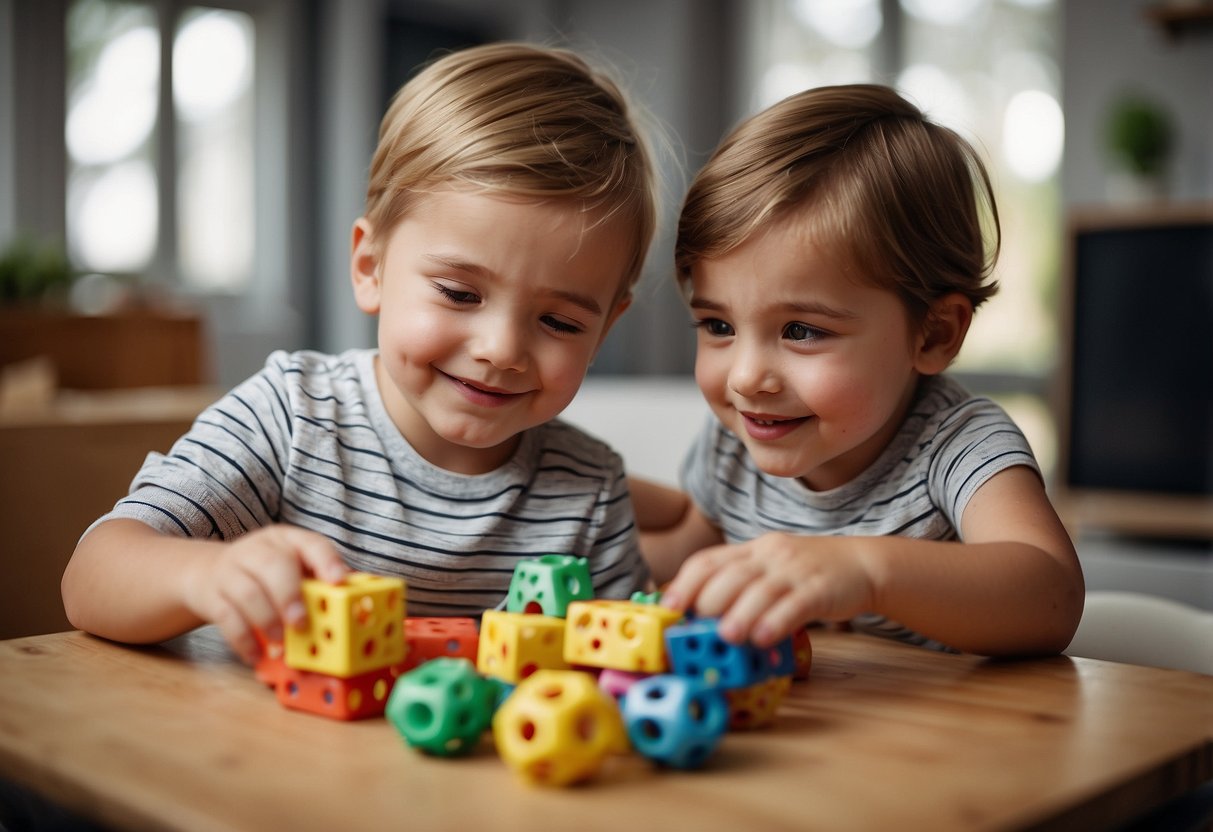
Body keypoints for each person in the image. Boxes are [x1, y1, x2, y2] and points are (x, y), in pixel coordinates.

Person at [61, 42, 659, 664]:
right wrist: (204, 575)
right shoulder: (292, 417)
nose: (502, 349)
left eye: (559, 321)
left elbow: (616, 672)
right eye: (459, 293)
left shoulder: (590, 492)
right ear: (370, 267)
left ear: (606, 327)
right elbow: (91, 577)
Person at [632, 84, 1084, 657]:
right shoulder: (735, 447)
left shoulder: (958, 445)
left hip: (955, 741)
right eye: (719, 326)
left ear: (934, 334)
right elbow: (685, 558)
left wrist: (865, 570)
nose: (746, 378)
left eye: (801, 331)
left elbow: (1050, 593)